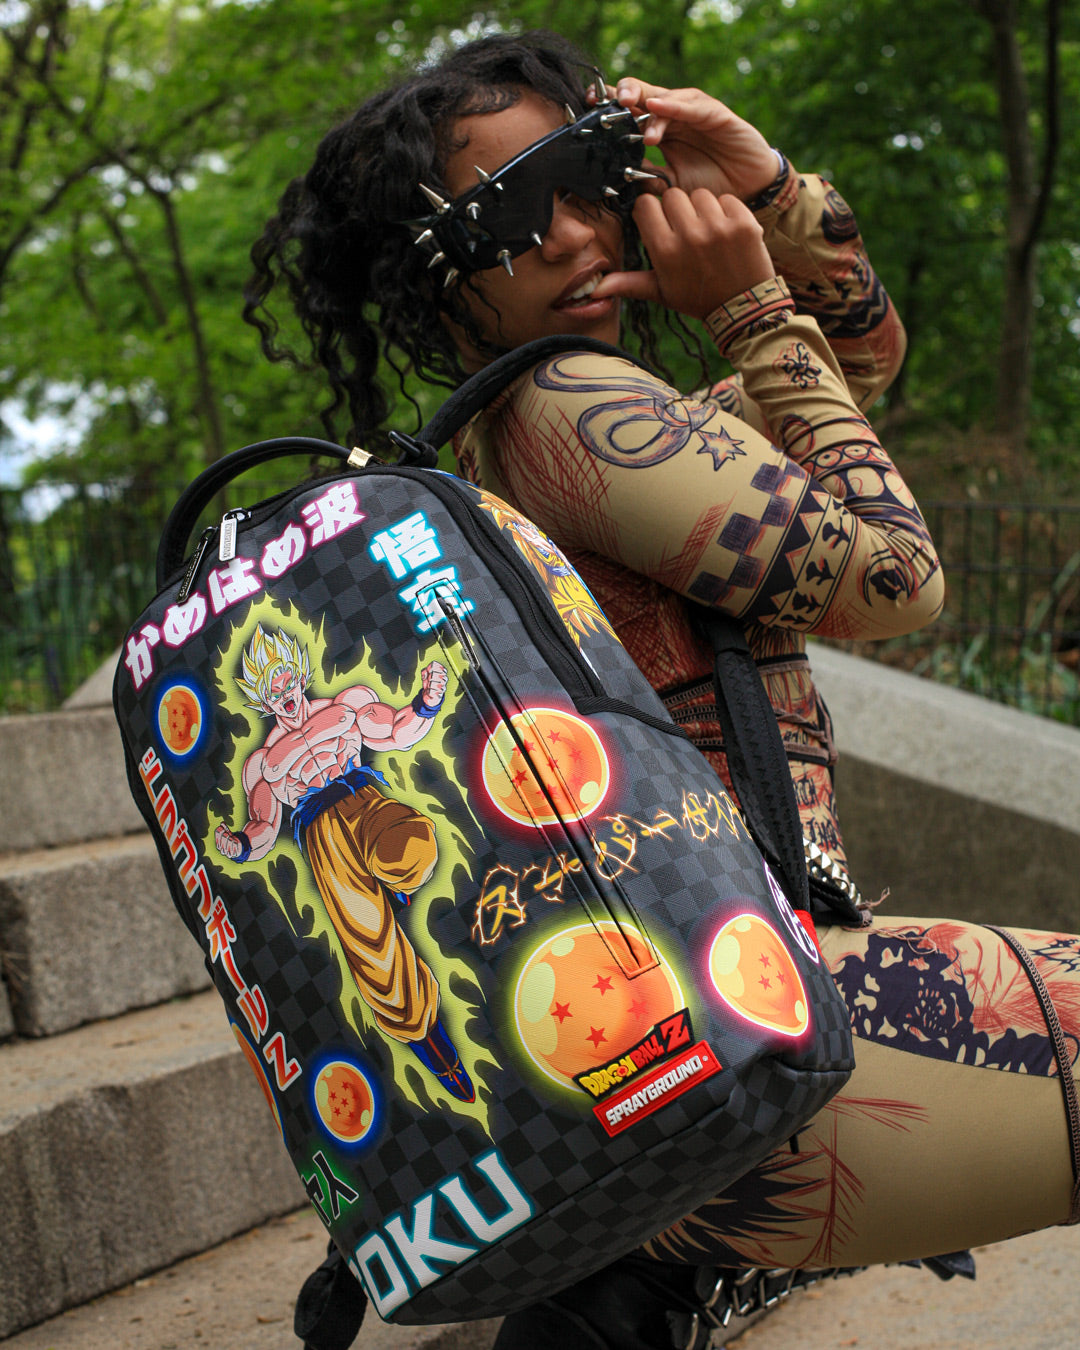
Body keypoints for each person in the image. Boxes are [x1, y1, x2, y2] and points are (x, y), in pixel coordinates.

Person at [244, 30, 1080, 1349]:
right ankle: (642, 1267)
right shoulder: (570, 409)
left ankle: (622, 1290)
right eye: (515, 210)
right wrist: (748, 307)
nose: (579, 229)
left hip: (677, 1049)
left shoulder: (534, 430)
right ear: (432, 266)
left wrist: (771, 194)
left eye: (588, 175)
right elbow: (900, 576)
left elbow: (849, 373)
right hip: (736, 1048)